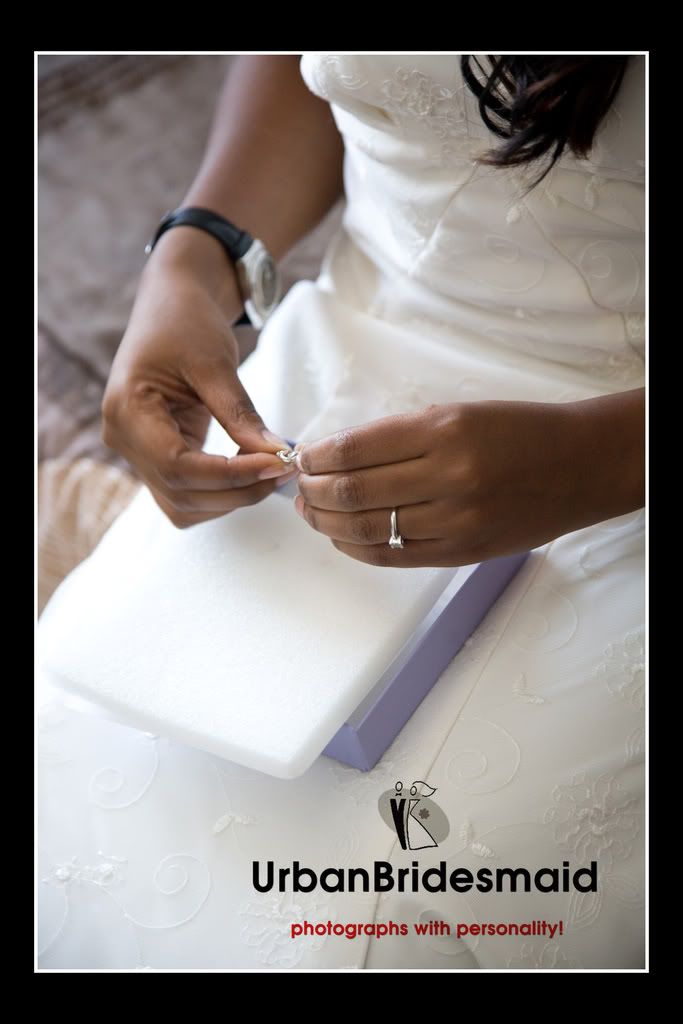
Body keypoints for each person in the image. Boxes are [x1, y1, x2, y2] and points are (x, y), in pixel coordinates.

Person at [38, 54, 645, 970]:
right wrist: (194, 260)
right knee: (82, 757)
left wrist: (598, 464)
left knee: (418, 902)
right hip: (354, 344)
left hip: (622, 442)